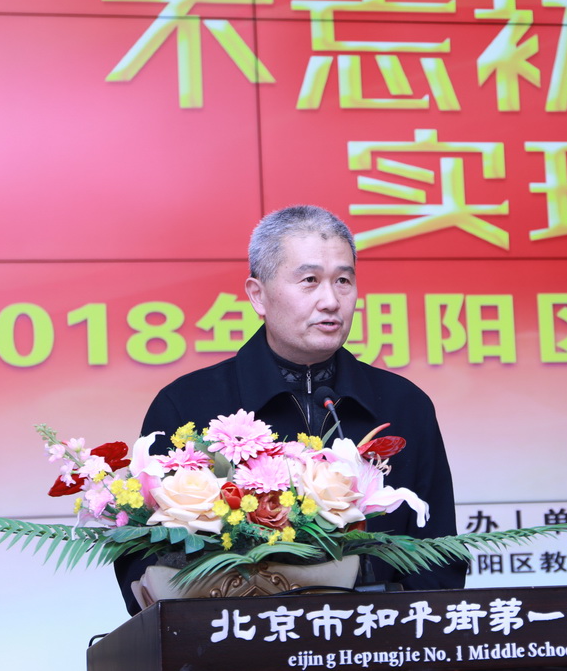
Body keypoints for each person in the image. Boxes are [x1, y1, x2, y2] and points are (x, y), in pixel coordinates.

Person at [114, 205, 466, 614]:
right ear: (257, 295)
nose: (331, 301)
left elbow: (439, 557)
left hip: (377, 638)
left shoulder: (404, 405)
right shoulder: (189, 404)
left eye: (343, 280)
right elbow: (142, 562)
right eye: (310, 280)